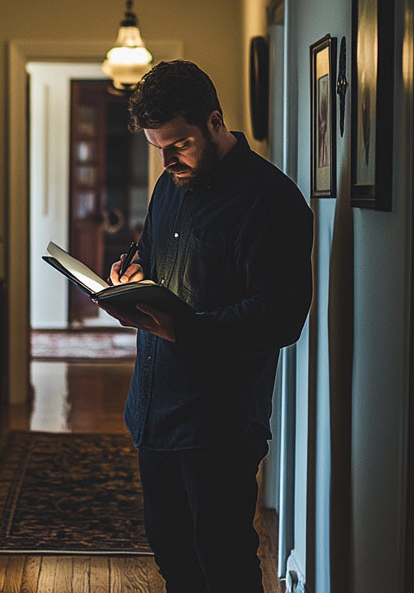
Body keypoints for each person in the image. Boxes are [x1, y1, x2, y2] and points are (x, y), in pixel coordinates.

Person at [99, 60, 313, 593]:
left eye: (179, 145)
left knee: (223, 564)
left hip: (219, 424)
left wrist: (184, 330)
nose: (168, 160)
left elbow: (282, 316)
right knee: (172, 556)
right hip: (152, 408)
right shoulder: (169, 185)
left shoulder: (273, 202)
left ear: (214, 122)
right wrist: (130, 272)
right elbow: (149, 249)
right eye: (158, 149)